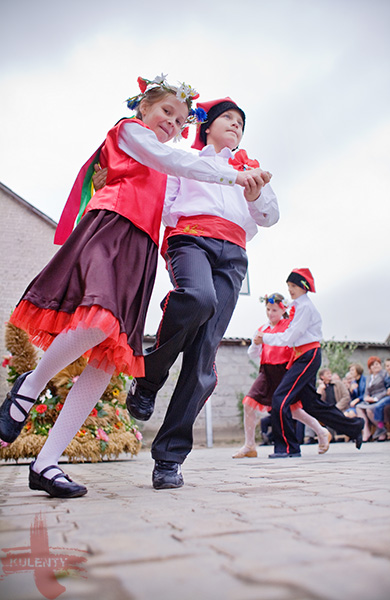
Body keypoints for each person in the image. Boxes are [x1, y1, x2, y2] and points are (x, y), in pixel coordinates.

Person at [0, 76, 264, 498]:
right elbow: (172, 164)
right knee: (98, 323)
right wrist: (233, 176)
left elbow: (171, 189)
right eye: (166, 113)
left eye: (180, 121)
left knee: (106, 358)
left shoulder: (167, 158)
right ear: (144, 107)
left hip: (141, 249)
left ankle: (46, 464)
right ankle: (30, 385)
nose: (173, 124)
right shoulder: (131, 132)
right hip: (112, 231)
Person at [127, 96, 279, 489]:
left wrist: (254, 195)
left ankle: (168, 460)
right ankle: (148, 378)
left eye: (240, 123)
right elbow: (164, 203)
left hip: (234, 253)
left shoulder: (250, 169)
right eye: (227, 119)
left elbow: (270, 216)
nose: (235, 126)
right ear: (206, 126)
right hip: (191, 239)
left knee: (203, 359)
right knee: (197, 298)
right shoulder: (187, 161)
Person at [254, 268, 364, 458]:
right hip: (302, 356)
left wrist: (265, 338)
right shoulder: (297, 306)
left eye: (294, 286)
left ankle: (288, 448)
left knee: (280, 398)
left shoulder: (305, 308)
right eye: (288, 286)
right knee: (311, 404)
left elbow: (290, 337)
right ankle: (354, 427)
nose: (290, 289)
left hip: (308, 355)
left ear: (304, 287)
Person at [232, 293, 331, 458]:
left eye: (275, 310)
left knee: (293, 410)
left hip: (285, 371)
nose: (271, 313)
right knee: (249, 403)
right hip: (266, 372)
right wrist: (256, 344)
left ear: (283, 309)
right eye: (268, 309)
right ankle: (249, 445)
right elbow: (252, 354)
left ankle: (321, 432)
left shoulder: (289, 326)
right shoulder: (262, 329)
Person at [354, 356, 387, 442]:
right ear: (370, 368)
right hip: (370, 400)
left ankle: (381, 428)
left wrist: (375, 398)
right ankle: (366, 432)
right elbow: (366, 391)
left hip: (380, 398)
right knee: (358, 407)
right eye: (373, 365)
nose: (375, 366)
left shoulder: (384, 374)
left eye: (377, 364)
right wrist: (366, 397)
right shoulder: (369, 377)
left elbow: (386, 389)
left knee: (369, 410)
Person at [368, 357, 390, 440]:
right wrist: (388, 391)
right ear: (385, 368)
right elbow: (386, 388)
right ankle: (380, 426)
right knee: (378, 406)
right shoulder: (386, 377)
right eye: (388, 366)